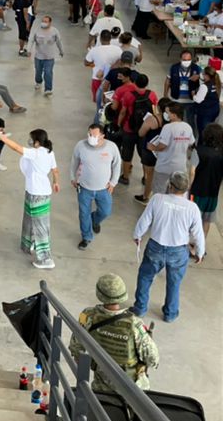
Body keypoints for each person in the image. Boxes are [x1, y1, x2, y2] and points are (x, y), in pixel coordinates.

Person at [132, 173, 206, 322]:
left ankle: (140, 308)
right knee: (174, 283)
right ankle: (170, 314)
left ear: (170, 185)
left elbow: (145, 220)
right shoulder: (192, 208)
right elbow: (198, 233)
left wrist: (137, 235)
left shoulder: (157, 199)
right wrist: (200, 252)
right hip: (178, 251)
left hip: (155, 247)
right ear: (186, 189)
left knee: (145, 277)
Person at [69, 274, 159, 393]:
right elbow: (152, 359)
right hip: (134, 390)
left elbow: (76, 347)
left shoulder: (87, 315)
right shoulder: (135, 324)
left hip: (101, 387)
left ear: (99, 293)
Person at [72, 122, 119, 250]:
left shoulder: (111, 147)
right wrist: (72, 177)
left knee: (106, 211)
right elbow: (74, 161)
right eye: (89, 134)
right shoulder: (80, 146)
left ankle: (95, 219)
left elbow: (117, 164)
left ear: (102, 136)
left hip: (104, 188)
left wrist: (113, 182)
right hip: (84, 188)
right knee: (83, 213)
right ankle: (86, 237)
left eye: (94, 135)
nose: (90, 137)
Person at [18, 129, 60, 270]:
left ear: (37, 141)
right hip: (35, 191)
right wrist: (56, 182)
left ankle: (46, 259)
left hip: (37, 194)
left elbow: (16, 148)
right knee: (29, 219)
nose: (29, 141)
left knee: (41, 225)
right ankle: (29, 243)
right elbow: (55, 170)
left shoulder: (36, 153)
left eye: (31, 138)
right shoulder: (49, 152)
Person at [27, 14, 64, 96]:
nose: (43, 23)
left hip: (49, 57)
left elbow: (59, 41)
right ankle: (38, 81)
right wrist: (28, 50)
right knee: (38, 71)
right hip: (38, 56)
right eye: (43, 21)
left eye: (46, 21)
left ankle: (48, 89)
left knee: (48, 72)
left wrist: (61, 51)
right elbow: (31, 40)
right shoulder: (37, 30)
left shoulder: (54, 31)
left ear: (50, 23)